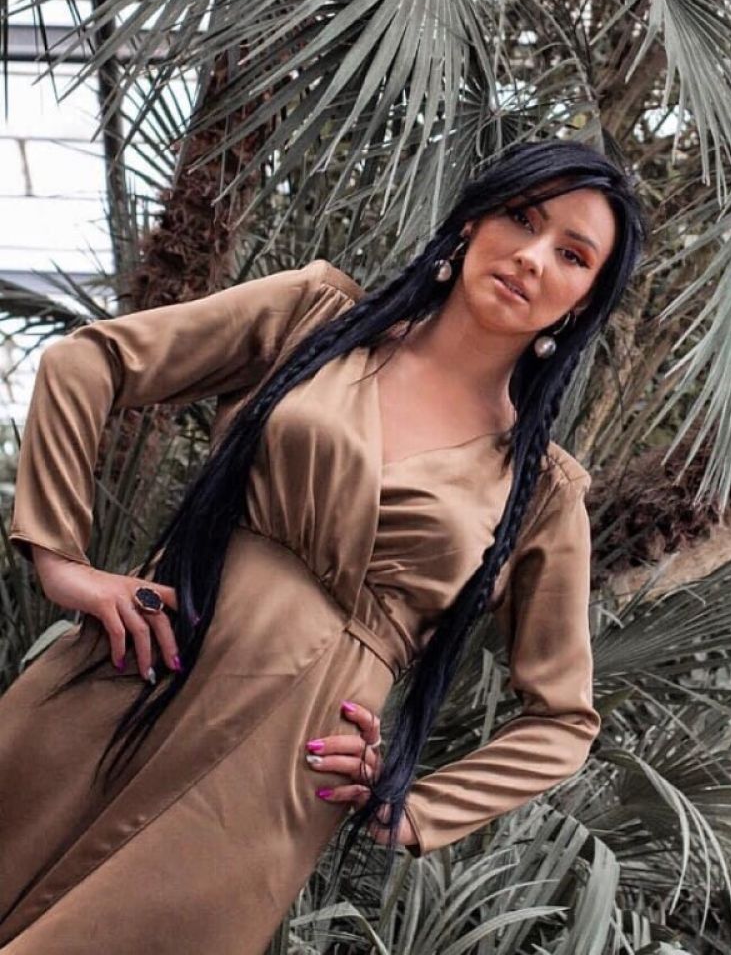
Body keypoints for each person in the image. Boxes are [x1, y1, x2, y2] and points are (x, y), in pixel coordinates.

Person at [0, 139, 646, 953]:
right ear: (473, 221)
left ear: (584, 302)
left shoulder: (540, 492)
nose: (532, 256)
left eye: (572, 255)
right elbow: (88, 362)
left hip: (269, 784)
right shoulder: (316, 317)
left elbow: (561, 721)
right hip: (139, 665)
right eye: (522, 217)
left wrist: (413, 807)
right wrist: (63, 563)